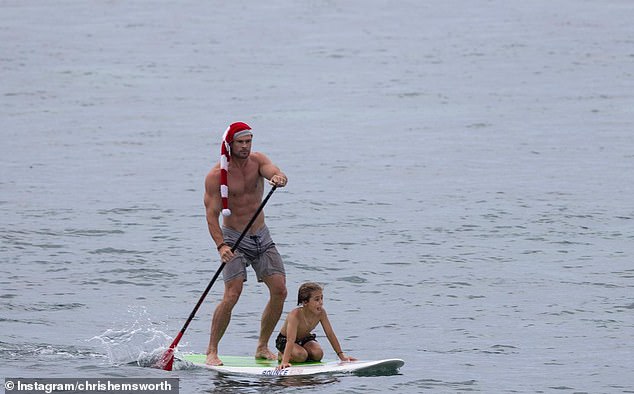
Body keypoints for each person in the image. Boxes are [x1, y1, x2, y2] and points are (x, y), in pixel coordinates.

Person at [204, 121, 288, 366]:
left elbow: (274, 172)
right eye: (240, 142)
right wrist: (221, 246)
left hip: (261, 235)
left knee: (280, 290)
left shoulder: (258, 160)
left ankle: (262, 347)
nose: (244, 146)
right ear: (229, 144)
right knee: (232, 294)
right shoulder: (215, 176)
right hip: (233, 239)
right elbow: (211, 216)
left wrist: (279, 178)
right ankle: (212, 351)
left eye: (248, 141)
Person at [275, 282, 357, 370]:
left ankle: (301, 353)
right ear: (305, 302)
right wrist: (285, 362)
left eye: (322, 298)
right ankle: (282, 355)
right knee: (301, 356)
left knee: (318, 354)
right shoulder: (295, 315)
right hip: (285, 340)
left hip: (304, 338)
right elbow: (290, 340)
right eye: (317, 299)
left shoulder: (321, 313)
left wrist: (342, 356)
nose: (321, 302)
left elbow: (330, 334)